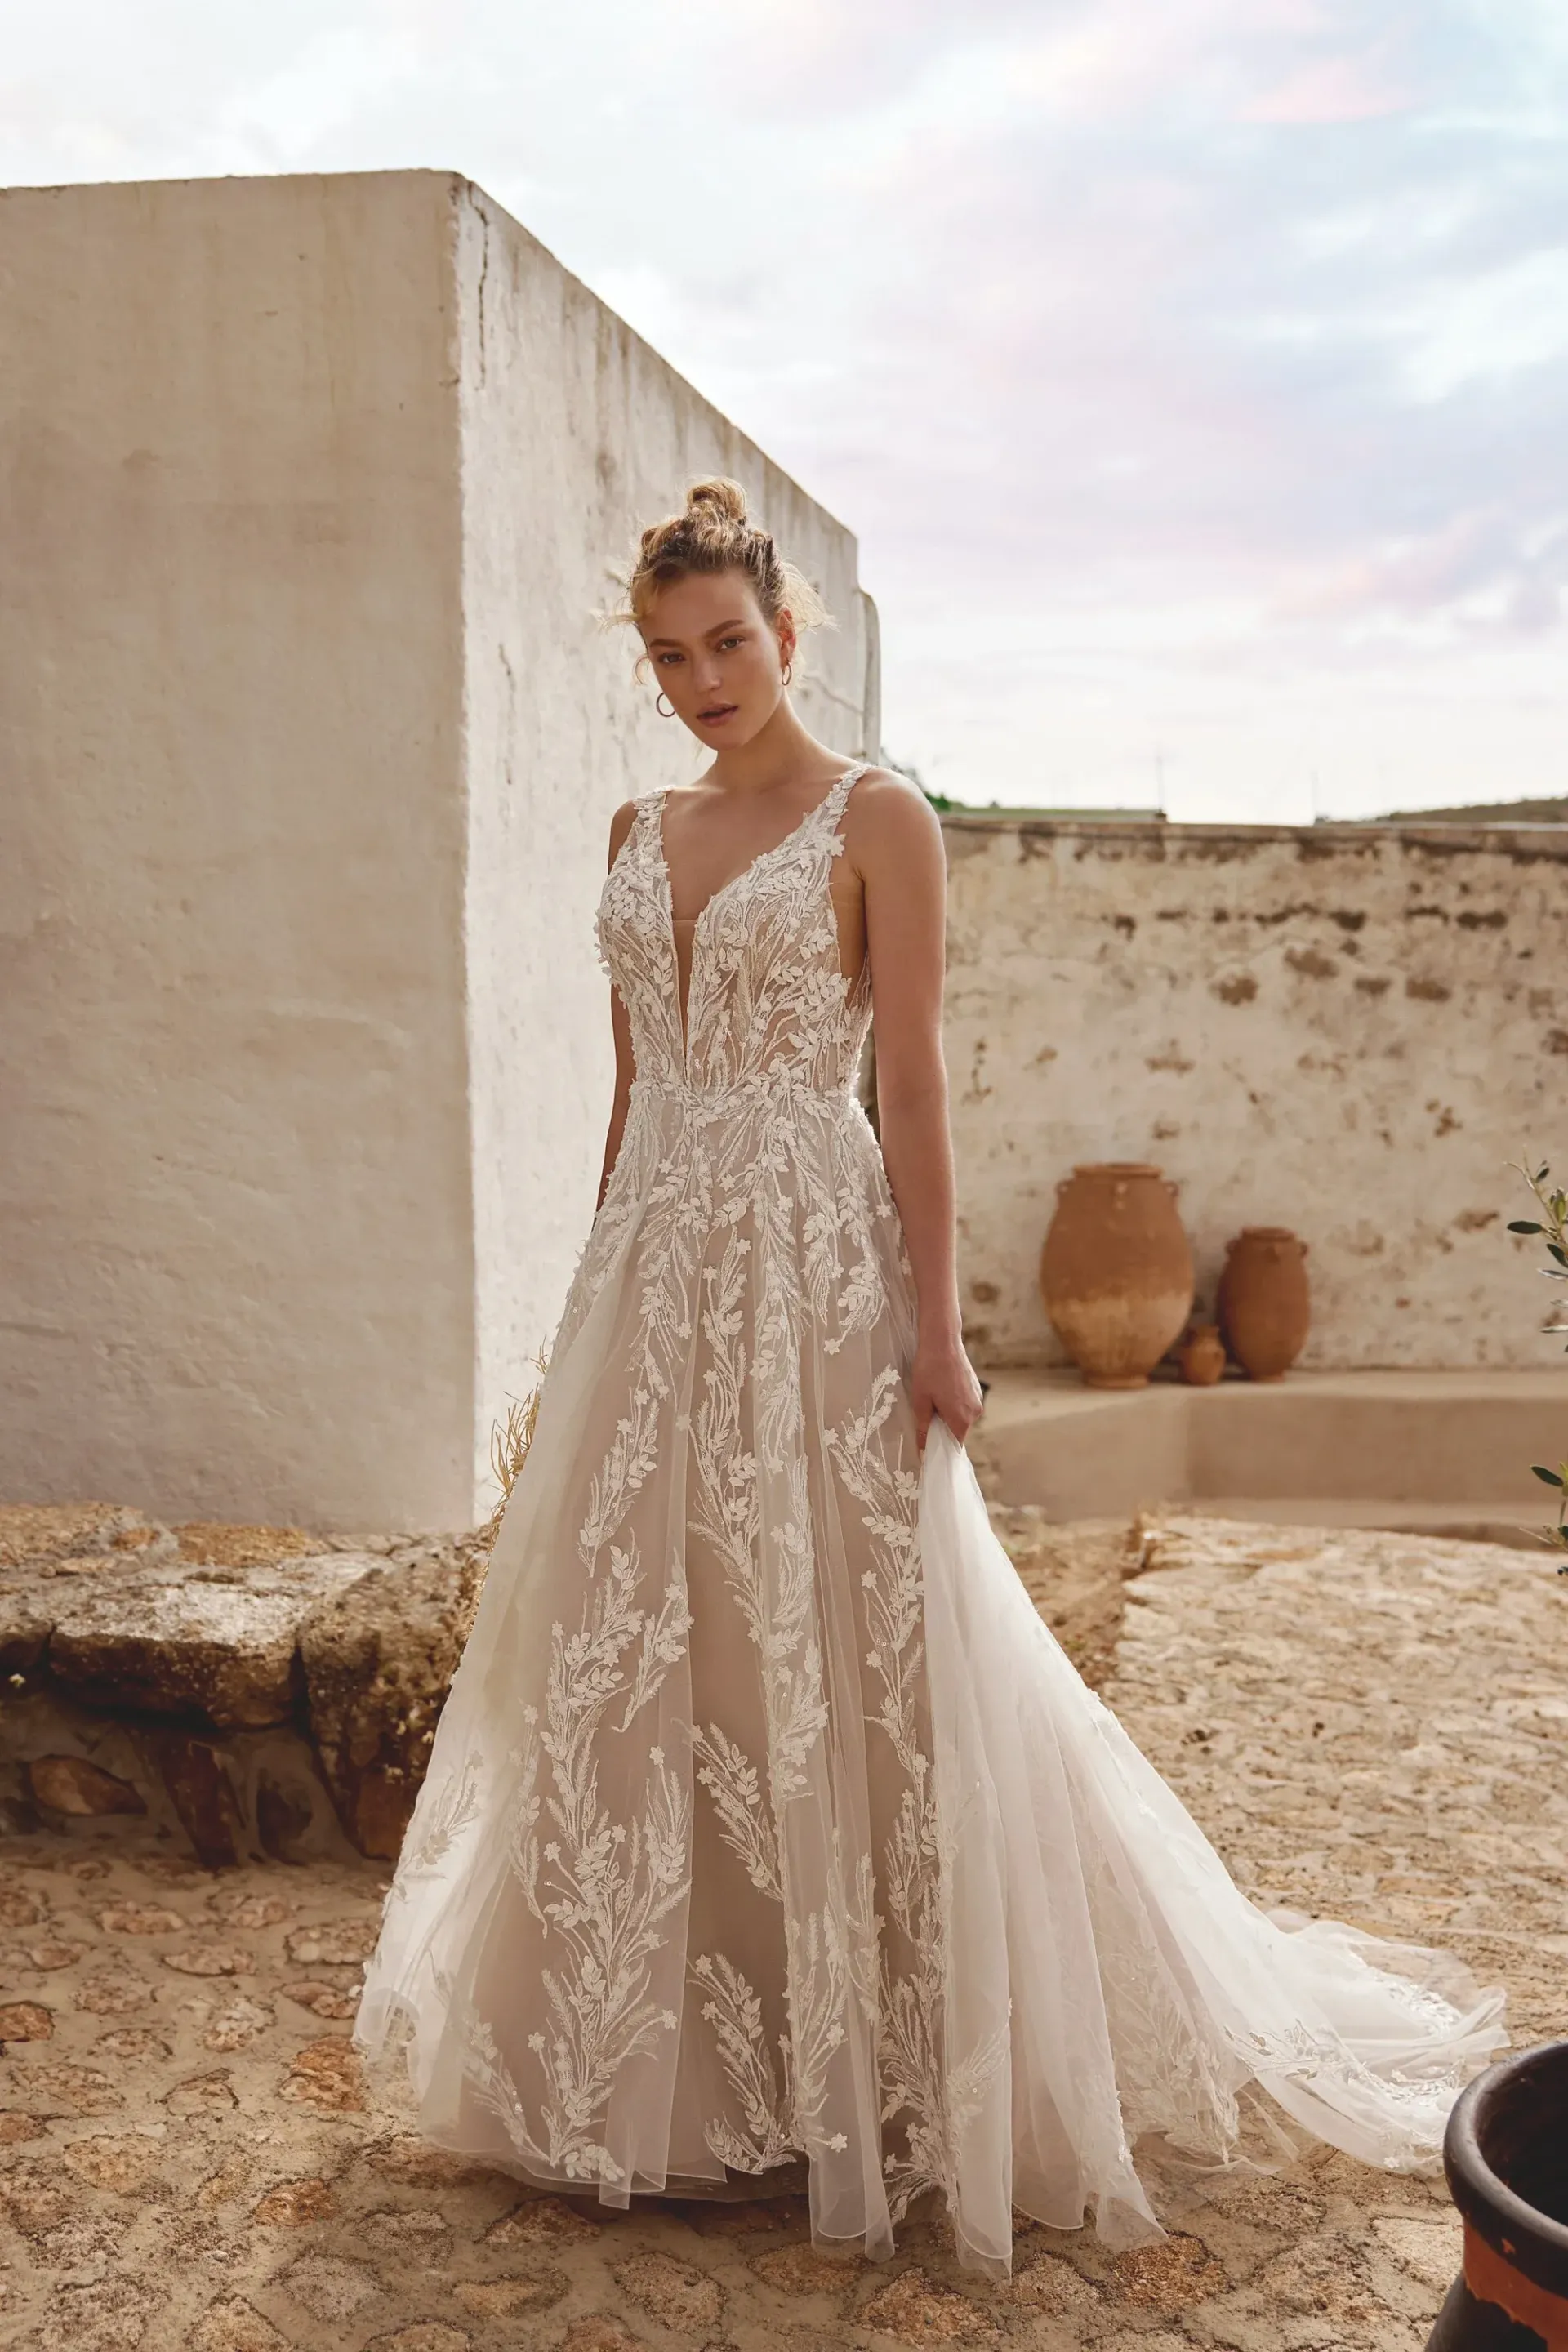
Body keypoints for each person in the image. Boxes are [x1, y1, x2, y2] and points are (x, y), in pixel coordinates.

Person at [355, 479, 1505, 2276]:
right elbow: (634, 1092)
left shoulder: (877, 819)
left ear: (786, 633)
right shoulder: (629, 828)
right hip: (657, 1269)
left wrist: (942, 1324)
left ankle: (874, 2057)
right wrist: (594, 1290)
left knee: (853, 1635)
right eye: (670, 655)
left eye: (729, 641)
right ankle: (644, 2069)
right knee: (643, 1635)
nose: (703, 676)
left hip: (811, 1259)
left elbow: (912, 1086)